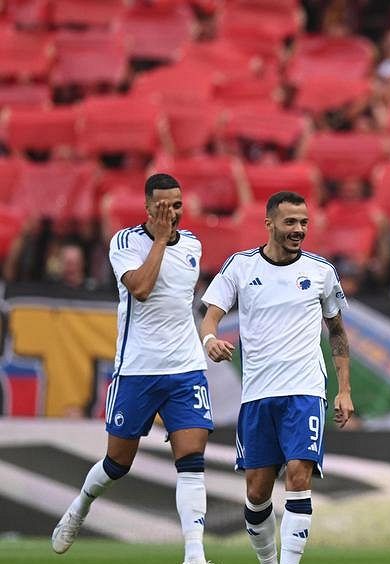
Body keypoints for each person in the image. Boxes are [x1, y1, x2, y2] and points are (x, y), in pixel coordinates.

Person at [51, 173, 213, 564]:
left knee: (192, 460)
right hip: (137, 370)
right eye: (163, 206)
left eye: (177, 205)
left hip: (185, 369)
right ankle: (80, 506)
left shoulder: (193, 244)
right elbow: (140, 289)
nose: (171, 213)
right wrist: (159, 240)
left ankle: (194, 554)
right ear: (148, 207)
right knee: (117, 463)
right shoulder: (125, 242)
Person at [200, 191, 354, 564]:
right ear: (269, 224)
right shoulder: (241, 266)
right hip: (258, 394)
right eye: (290, 222)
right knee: (256, 494)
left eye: (303, 222)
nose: (299, 229)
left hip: (305, 390)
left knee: (299, 476)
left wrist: (344, 389)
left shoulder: (320, 271)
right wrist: (210, 340)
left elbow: (336, 331)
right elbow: (210, 315)